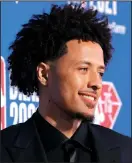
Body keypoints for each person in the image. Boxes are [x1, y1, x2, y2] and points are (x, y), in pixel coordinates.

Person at [1, 3, 132, 163]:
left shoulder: (126, 152)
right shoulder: (4, 149)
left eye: (100, 73)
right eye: (83, 69)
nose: (96, 83)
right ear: (44, 74)